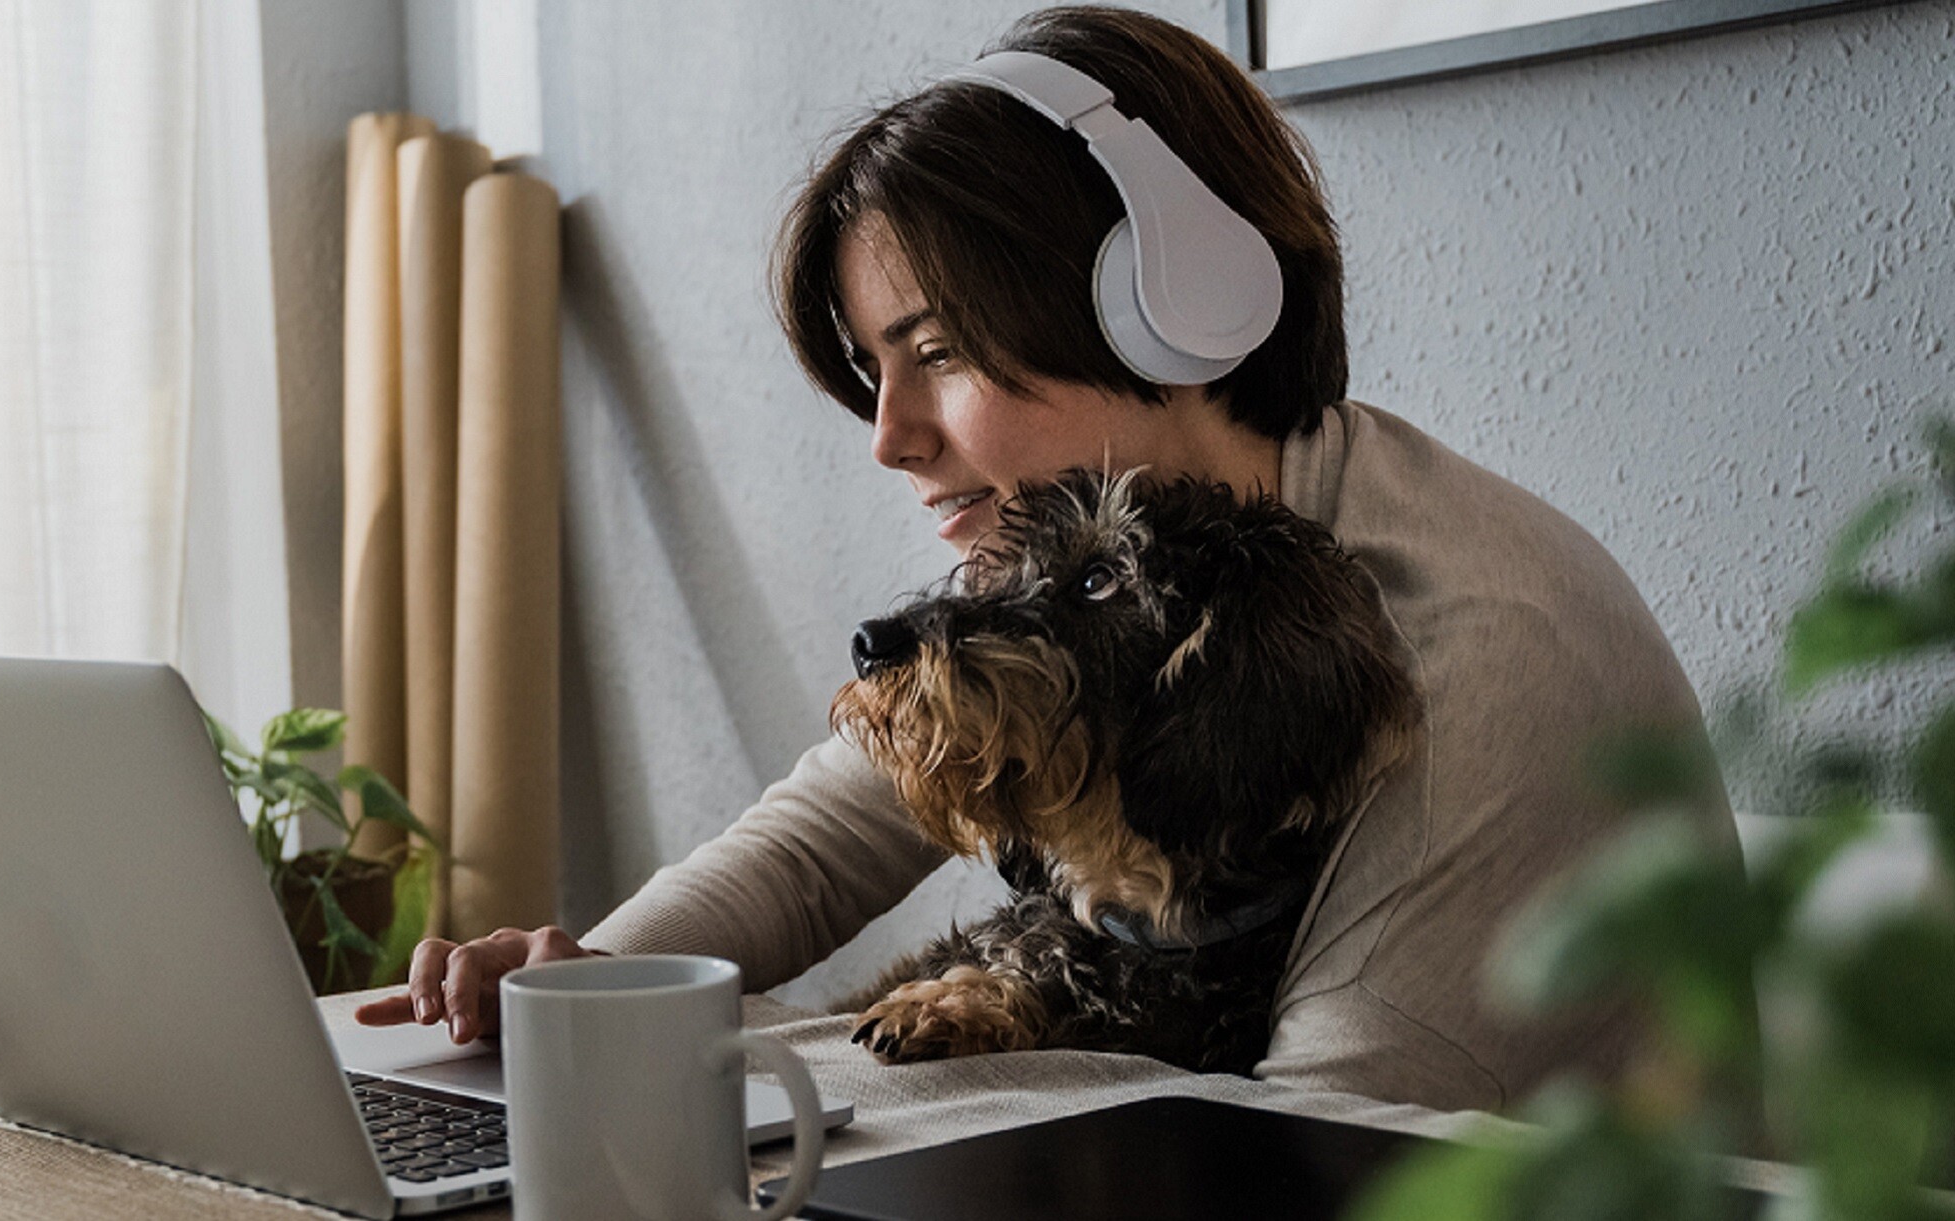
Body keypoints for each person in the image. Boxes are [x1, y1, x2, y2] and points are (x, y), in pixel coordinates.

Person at [353, 6, 1722, 1115]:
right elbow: (838, 826)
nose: (890, 438)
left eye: (936, 354)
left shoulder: (1464, 651)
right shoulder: (1079, 565)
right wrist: (582, 989)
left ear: (1172, 307)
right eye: (875, 370)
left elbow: (1317, 1145)